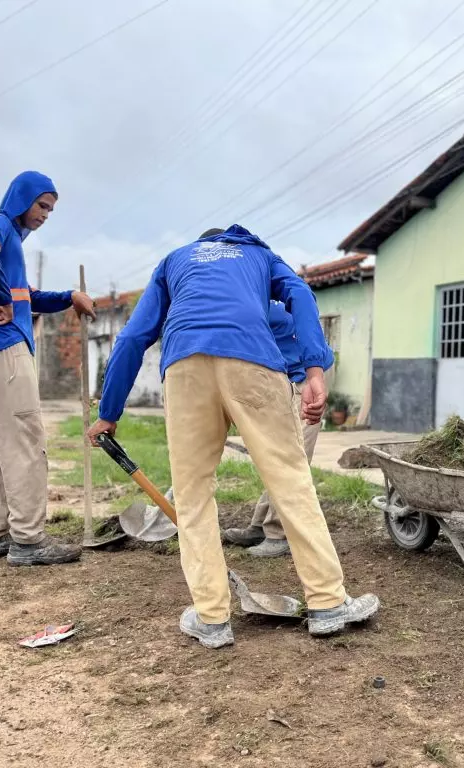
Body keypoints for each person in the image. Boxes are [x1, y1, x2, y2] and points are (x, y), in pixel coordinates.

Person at [87, 225, 379, 649]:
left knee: (192, 495)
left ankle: (211, 619)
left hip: (184, 367)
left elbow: (133, 336)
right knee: (290, 481)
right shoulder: (259, 255)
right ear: (234, 241)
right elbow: (299, 295)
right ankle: (328, 603)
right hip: (253, 361)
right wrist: (314, 368)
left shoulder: (174, 260)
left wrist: (108, 413)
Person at [0, 170, 96, 566]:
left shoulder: (11, 241)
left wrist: (69, 296)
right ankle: (28, 540)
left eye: (50, 210)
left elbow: (29, 296)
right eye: (41, 205)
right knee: (24, 443)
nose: (45, 215)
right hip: (6, 350)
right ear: (21, 198)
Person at [222, 300, 332, 558]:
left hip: (306, 379)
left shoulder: (258, 305)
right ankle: (260, 525)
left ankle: (279, 534)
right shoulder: (243, 301)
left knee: (292, 458)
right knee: (277, 457)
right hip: (284, 378)